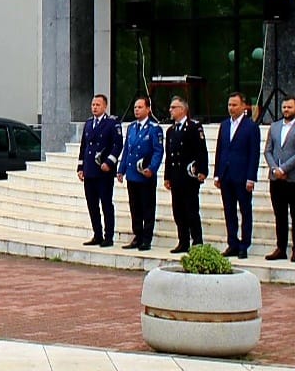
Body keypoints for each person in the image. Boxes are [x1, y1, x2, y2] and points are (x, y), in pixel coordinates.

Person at [263, 97, 295, 262]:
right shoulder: (274, 126)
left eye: (289, 107)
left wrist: (284, 169)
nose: (286, 110)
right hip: (276, 178)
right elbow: (268, 150)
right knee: (280, 214)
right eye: (284, 107)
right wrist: (275, 169)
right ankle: (281, 248)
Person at [213, 91, 260, 259]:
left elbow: (254, 153)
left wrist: (251, 177)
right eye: (229, 105)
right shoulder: (225, 125)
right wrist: (217, 174)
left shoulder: (251, 127)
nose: (231, 108)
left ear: (243, 106)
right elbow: (220, 150)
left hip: (242, 176)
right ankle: (232, 243)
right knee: (229, 210)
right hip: (226, 175)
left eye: (234, 105)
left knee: (245, 211)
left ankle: (244, 245)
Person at [116, 96, 162, 251]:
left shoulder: (154, 128)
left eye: (140, 107)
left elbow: (158, 151)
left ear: (148, 109)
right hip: (132, 174)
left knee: (147, 207)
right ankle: (137, 235)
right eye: (135, 107)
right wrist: (121, 169)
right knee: (134, 207)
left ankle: (146, 238)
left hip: (145, 174)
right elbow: (127, 150)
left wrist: (152, 168)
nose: (136, 110)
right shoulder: (131, 127)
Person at [162, 96, 207, 254]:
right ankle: (183, 241)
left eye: (173, 107)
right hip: (176, 176)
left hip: (189, 177)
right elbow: (169, 156)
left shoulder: (194, 127)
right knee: (178, 211)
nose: (170, 110)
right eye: (170, 107)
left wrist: (202, 171)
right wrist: (167, 176)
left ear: (183, 109)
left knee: (191, 210)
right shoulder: (171, 131)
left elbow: (201, 151)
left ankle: (197, 241)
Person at [76, 94, 122, 247]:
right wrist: (80, 167)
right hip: (90, 170)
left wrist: (109, 162)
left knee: (106, 204)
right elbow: (84, 146)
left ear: (105, 106)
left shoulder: (112, 123)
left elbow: (117, 145)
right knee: (92, 205)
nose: (95, 107)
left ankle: (108, 236)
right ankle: (97, 234)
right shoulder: (89, 123)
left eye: (98, 105)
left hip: (104, 172)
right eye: (93, 105)